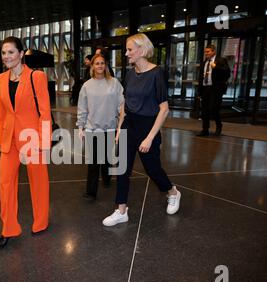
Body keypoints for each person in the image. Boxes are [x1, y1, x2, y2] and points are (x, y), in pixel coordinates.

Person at [102, 33, 181, 227]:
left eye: (130, 49)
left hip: (148, 127)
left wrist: (149, 138)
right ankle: (121, 210)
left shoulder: (156, 73)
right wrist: (120, 128)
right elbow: (125, 105)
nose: (127, 53)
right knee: (122, 169)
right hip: (130, 124)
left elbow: (164, 109)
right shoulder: (129, 74)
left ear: (142, 50)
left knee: (152, 169)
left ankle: (172, 192)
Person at [0, 36, 51, 248]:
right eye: (3, 52)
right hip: (9, 140)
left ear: (20, 53)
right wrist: (1, 139)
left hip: (32, 139)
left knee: (38, 183)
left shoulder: (37, 77)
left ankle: (40, 222)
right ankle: (8, 228)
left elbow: (45, 112)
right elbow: (3, 114)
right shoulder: (0, 79)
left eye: (10, 52)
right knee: (5, 184)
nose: (6, 56)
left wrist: (44, 142)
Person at [76, 53, 124, 201]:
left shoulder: (114, 83)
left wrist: (121, 125)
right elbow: (82, 107)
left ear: (106, 65)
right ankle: (91, 193)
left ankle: (107, 178)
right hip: (92, 129)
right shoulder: (86, 86)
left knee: (107, 158)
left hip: (110, 128)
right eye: (97, 63)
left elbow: (121, 104)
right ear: (92, 66)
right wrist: (80, 127)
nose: (100, 66)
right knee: (94, 162)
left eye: (102, 63)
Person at [196, 44, 230, 137]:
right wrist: (199, 92)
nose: (206, 53)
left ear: (213, 51)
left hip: (216, 89)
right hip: (205, 88)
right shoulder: (204, 63)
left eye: (208, 51)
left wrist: (216, 67)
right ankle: (205, 130)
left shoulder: (221, 60)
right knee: (204, 111)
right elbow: (200, 78)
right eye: (205, 52)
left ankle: (219, 126)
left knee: (213, 109)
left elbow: (227, 73)